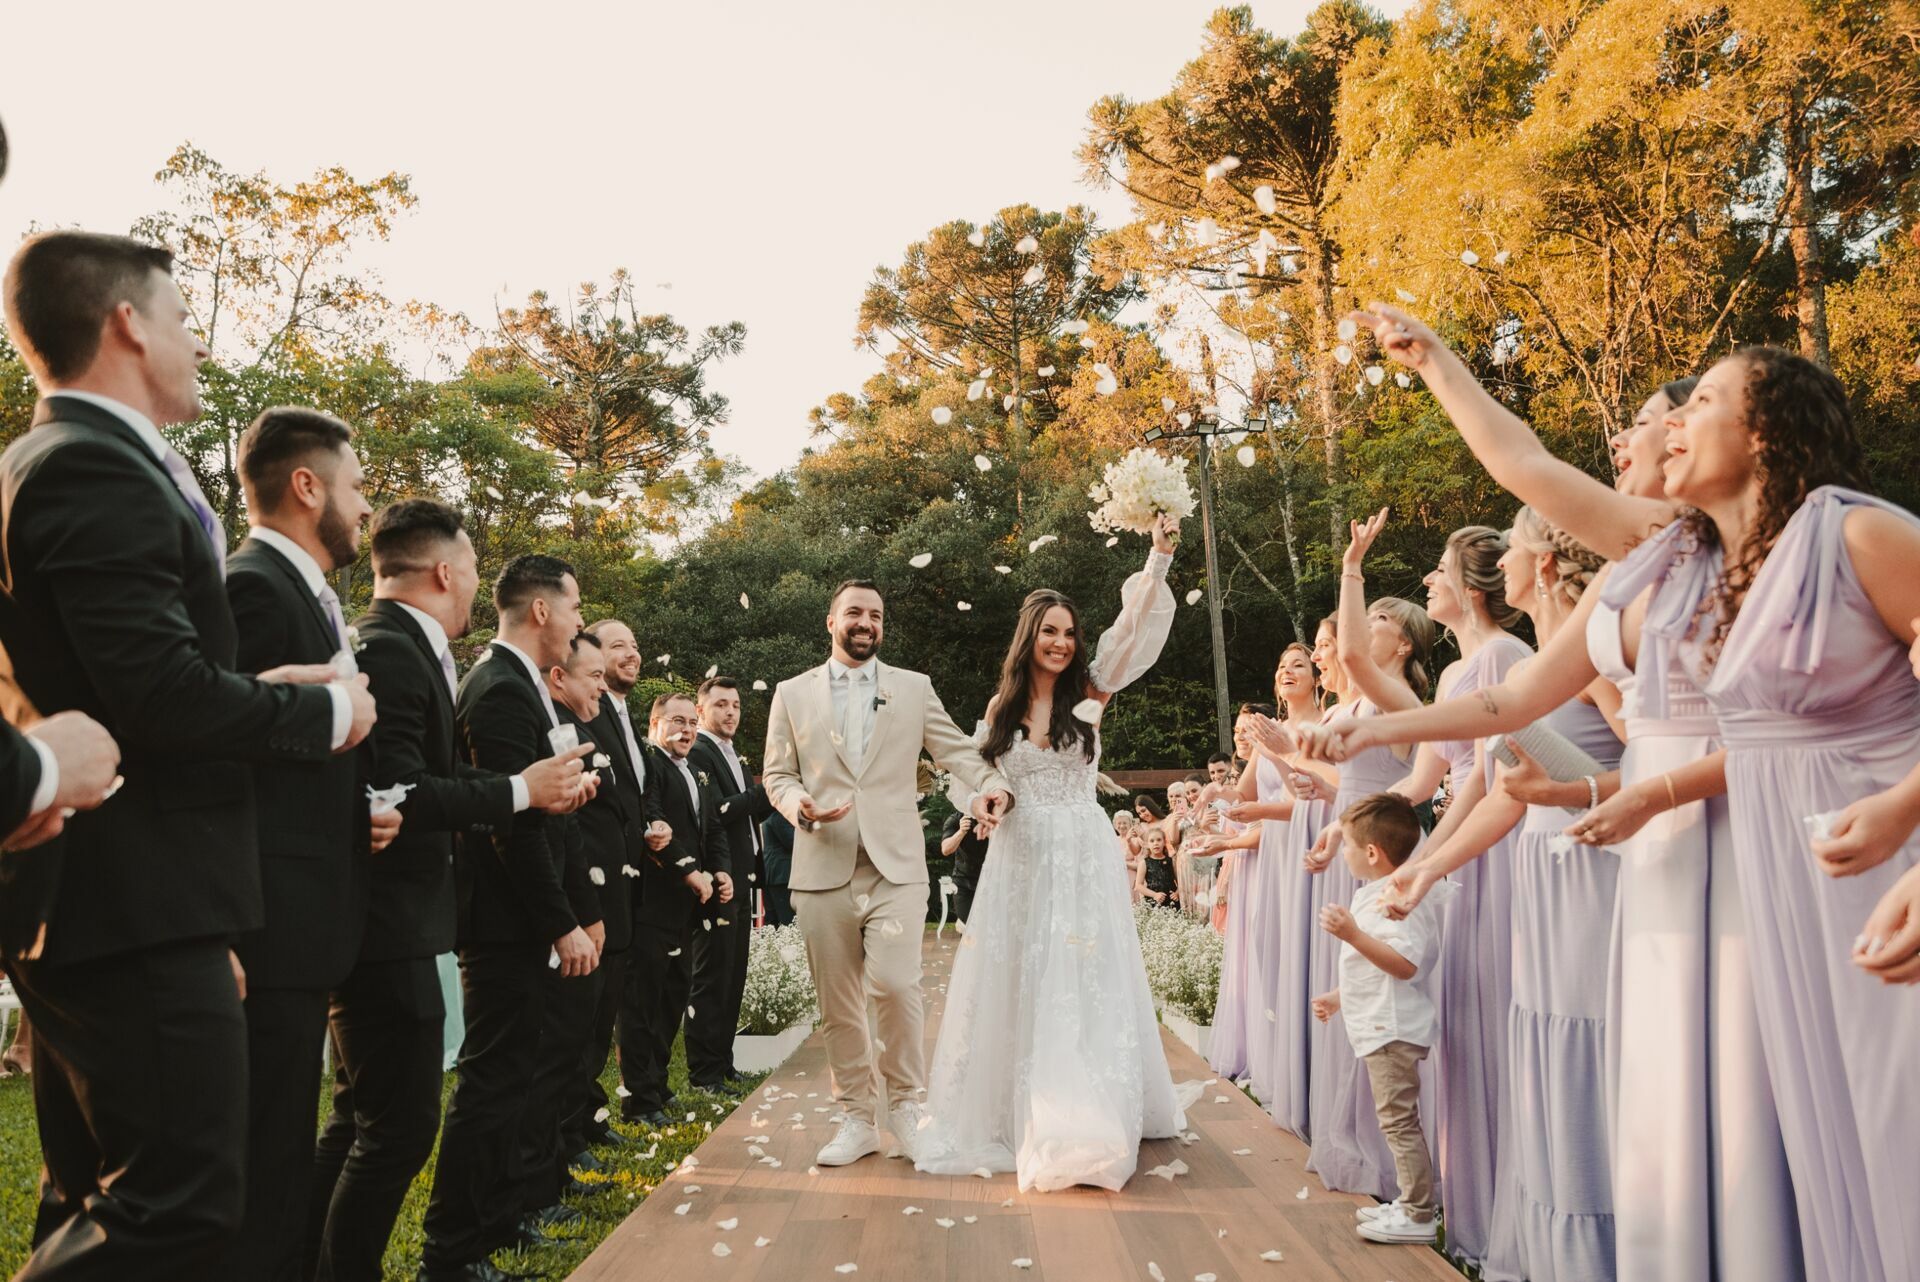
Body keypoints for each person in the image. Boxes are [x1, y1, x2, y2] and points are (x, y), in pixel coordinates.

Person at [1329, 305, 1801, 1282]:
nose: (1641, 436)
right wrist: (1373, 731)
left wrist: (1622, 789)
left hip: (1740, 834)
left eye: (1674, 415)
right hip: (1652, 854)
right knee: (1661, 1091)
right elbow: (1506, 708)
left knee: (1741, 1083)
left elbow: (1786, 734)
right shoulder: (1653, 559)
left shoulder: (1801, 545)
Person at [0, 229, 374, 1278]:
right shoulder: (92, 467)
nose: (198, 344)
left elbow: (121, 678)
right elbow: (159, 696)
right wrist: (321, 715)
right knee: (185, 1201)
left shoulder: (51, 461)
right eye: (181, 318)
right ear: (126, 323)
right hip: (131, 892)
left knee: (97, 1189)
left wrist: (254, 686)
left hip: (115, 887)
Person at [308, 500, 589, 1282]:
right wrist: (520, 791)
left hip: (390, 919)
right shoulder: (396, 650)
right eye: (469, 569)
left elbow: (422, 775)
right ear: (444, 571)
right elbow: (403, 788)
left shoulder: (402, 646)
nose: (474, 585)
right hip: (387, 922)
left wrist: (528, 787)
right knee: (395, 1130)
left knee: (357, 1121)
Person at [1378, 506, 1625, 1281]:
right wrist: (1425, 869)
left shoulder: (1592, 663)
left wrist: (1570, 794)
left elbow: (1656, 766)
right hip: (1541, 871)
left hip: (1597, 869)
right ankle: (1558, 1251)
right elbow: (1501, 798)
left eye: (1512, 549)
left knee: (1593, 1046)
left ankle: (1613, 1245)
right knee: (1546, 1047)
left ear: (1544, 565)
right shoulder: (1530, 673)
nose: (1502, 560)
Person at [915, 515, 1189, 1191]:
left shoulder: (1091, 691)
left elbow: (1131, 633)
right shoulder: (1001, 708)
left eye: (1069, 632)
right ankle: (1017, 1104)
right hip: (1021, 855)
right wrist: (989, 802)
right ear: (1029, 638)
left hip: (1083, 851)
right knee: (1023, 967)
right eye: (1050, 632)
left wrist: (1156, 559)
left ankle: (1087, 1104)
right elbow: (974, 774)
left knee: (1082, 971)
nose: (1062, 642)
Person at [221, 406, 392, 1282]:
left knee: (285, 1156)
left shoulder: (310, 597)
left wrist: (359, 809)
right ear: (306, 486)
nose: (365, 508)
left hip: (304, 926)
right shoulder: (254, 588)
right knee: (265, 1170)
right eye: (357, 487)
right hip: (267, 928)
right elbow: (226, 759)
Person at [760, 578, 1013, 1167]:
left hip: (895, 866)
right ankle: (856, 1117)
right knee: (839, 1002)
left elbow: (955, 750)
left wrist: (993, 784)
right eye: (854, 612)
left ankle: (905, 1107)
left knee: (897, 987)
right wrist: (799, 805)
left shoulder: (913, 687)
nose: (866, 623)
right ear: (831, 622)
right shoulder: (792, 693)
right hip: (822, 863)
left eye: (875, 615)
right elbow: (777, 773)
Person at [419, 555, 600, 1282]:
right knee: (490, 1084)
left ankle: (498, 1220)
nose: (580, 622)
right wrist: (561, 922)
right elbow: (508, 827)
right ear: (542, 610)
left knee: (515, 1077)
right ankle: (451, 1252)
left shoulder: (520, 685)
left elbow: (535, 808)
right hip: (501, 922)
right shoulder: (498, 690)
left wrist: (565, 797)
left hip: (518, 917)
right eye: (576, 606)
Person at [1300, 508, 1435, 1203]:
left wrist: (1353, 567)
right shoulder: (1362, 703)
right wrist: (1335, 828)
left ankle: (1390, 1167)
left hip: (1387, 852)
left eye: (1381, 619)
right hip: (1358, 841)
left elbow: (1351, 658)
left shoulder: (1400, 698)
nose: (1367, 625)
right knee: (1355, 982)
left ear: (1404, 643)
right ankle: (1354, 1138)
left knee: (1386, 982)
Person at [1407, 523, 1529, 1269]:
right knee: (1461, 1022)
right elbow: (1425, 781)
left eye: (1439, 569)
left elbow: (1484, 780)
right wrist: (1352, 820)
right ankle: (1472, 1210)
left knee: (1492, 1014)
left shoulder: (1506, 657)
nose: (1428, 580)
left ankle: (1506, 1208)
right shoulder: (1454, 672)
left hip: (1496, 849)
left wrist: (1430, 861)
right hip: (1459, 849)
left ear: (1472, 587)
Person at [1310, 792, 1447, 1248]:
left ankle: (1418, 1212)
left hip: (1392, 1028)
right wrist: (1338, 998)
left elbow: (1404, 965)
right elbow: (1371, 970)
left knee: (1398, 1122)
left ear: (1372, 852)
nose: (1342, 853)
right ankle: (1410, 1201)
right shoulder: (1375, 892)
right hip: (1380, 1024)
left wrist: (1352, 934)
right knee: (1395, 1119)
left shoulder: (1397, 897)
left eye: (1347, 845)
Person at [565, 619, 667, 1150]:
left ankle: (589, 1116)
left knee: (603, 1015)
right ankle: (575, 1126)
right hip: (593, 884)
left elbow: (633, 793)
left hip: (630, 884)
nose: (632, 653)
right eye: (618, 645)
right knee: (584, 1017)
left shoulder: (626, 716)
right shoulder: (585, 712)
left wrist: (652, 823)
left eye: (635, 644)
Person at [619, 692, 731, 1126]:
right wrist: (689, 871)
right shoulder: (650, 766)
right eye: (676, 721)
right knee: (642, 1004)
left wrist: (720, 871)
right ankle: (638, 1099)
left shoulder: (697, 771)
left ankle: (658, 1084)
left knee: (672, 998)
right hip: (653, 902)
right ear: (655, 725)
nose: (686, 730)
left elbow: (713, 827)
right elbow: (653, 821)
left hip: (686, 908)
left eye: (691, 722)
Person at [686, 675, 772, 1091]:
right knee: (711, 976)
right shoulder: (699, 751)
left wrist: (770, 796)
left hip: (744, 875)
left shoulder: (736, 756)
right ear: (700, 709)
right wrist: (766, 790)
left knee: (733, 974)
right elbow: (717, 811)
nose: (731, 712)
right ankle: (703, 1071)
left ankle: (723, 1061)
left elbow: (749, 812)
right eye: (721, 704)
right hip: (719, 876)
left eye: (736, 705)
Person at [939, 808, 988, 922]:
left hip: (989, 881)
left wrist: (989, 830)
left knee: (988, 925)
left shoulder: (993, 818)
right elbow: (945, 850)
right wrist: (961, 832)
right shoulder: (955, 819)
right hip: (963, 883)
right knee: (970, 924)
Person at [760, 809, 796, 926]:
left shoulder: (769, 815)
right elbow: (793, 842)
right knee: (788, 921)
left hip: (774, 874)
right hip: (781, 876)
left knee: (774, 923)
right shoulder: (780, 815)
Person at [1136, 824, 1179, 907]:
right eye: (1152, 841)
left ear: (1164, 842)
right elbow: (1138, 886)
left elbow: (1180, 882)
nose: (1156, 843)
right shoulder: (1144, 863)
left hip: (1172, 901)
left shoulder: (1171, 861)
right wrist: (1154, 895)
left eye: (1159, 840)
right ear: (1147, 844)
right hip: (1153, 902)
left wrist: (1177, 893)